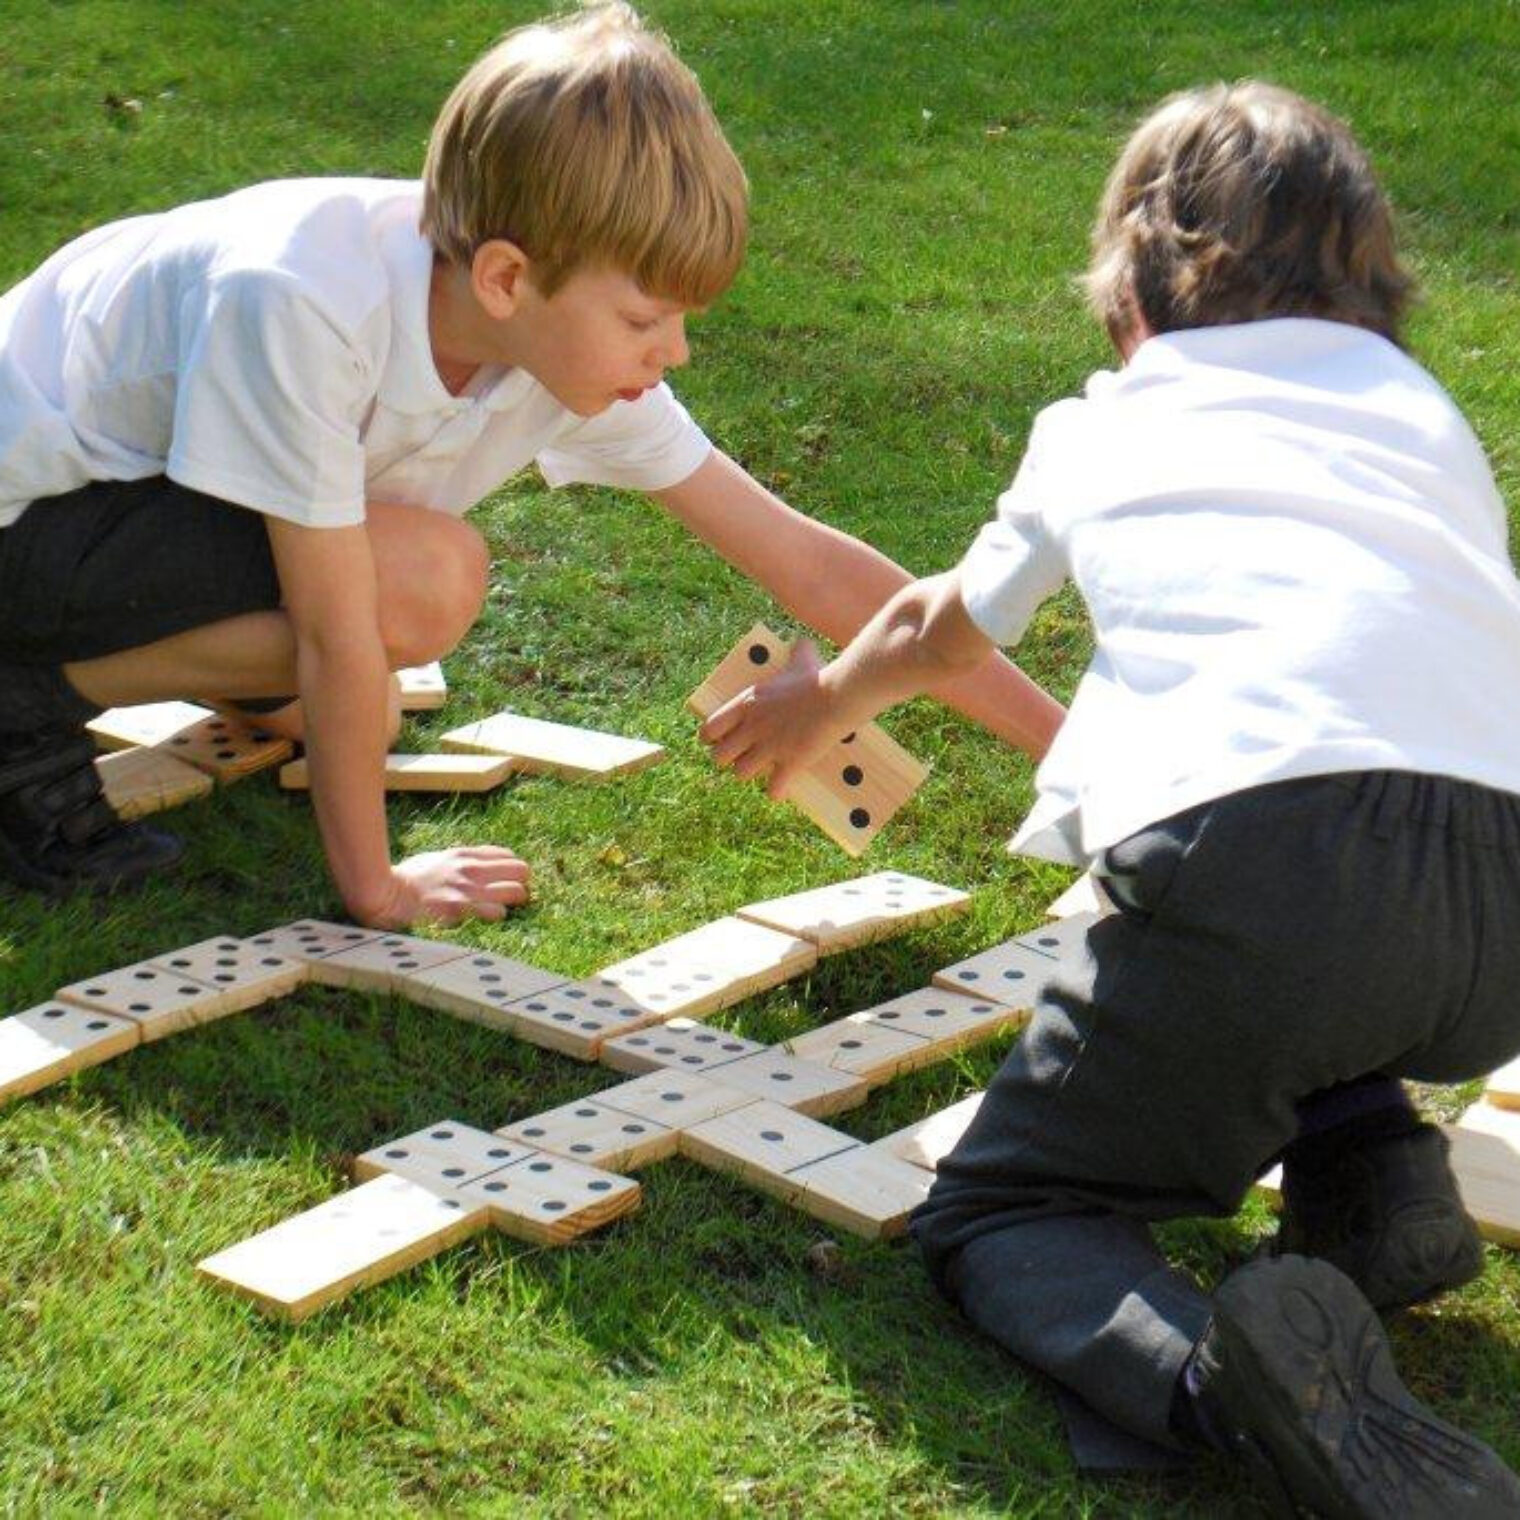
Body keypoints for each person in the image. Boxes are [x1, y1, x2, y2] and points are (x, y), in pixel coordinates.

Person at [701, 81, 1520, 1515]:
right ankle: (1380, 1183)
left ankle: (1225, 1393)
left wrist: (812, 706)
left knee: (1008, 1210)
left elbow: (940, 630)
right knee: (1342, 953)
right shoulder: (1422, 412)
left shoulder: (1114, 420)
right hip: (1502, 899)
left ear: (1133, 290)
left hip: (1272, 870)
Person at [0, 3, 1062, 927]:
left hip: (122, 519)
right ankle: (20, 704)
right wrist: (378, 891)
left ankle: (81, 670)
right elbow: (333, 625)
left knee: (363, 693)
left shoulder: (555, 346)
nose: (675, 352)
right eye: (646, 317)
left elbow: (807, 565)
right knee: (417, 582)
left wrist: (1070, 752)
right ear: (507, 276)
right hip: (24, 516)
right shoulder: (300, 303)